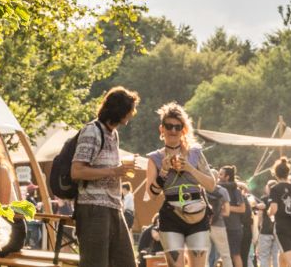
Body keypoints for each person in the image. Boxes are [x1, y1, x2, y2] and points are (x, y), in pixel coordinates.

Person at [70, 87, 140, 267]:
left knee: (126, 262)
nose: (132, 114)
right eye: (130, 109)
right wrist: (113, 171)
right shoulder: (92, 131)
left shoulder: (113, 134)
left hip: (114, 206)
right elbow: (77, 171)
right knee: (95, 263)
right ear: (120, 111)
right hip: (93, 207)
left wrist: (120, 171)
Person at [145, 102, 217, 267]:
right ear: (161, 129)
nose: (173, 131)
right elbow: (152, 194)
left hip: (197, 213)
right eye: (169, 126)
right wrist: (163, 171)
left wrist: (189, 168)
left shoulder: (195, 152)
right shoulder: (154, 158)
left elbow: (211, 185)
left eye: (178, 127)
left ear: (183, 129)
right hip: (171, 215)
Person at [219, 166, 246, 267]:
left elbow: (242, 209)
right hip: (221, 225)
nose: (218, 176)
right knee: (224, 256)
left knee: (235, 255)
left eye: (221, 174)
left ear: (227, 177)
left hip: (234, 227)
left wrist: (227, 207)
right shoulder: (219, 188)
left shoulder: (236, 191)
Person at [207, 173, 232, 267]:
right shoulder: (223, 191)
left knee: (204, 255)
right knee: (225, 255)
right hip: (219, 225)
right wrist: (217, 214)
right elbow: (227, 212)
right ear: (217, 178)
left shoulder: (201, 189)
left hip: (203, 226)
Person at [257, 181, 281, 267]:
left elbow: (260, 217)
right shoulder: (280, 199)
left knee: (264, 257)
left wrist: (259, 227)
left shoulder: (263, 199)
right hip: (277, 230)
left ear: (268, 188)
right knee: (275, 256)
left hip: (265, 231)